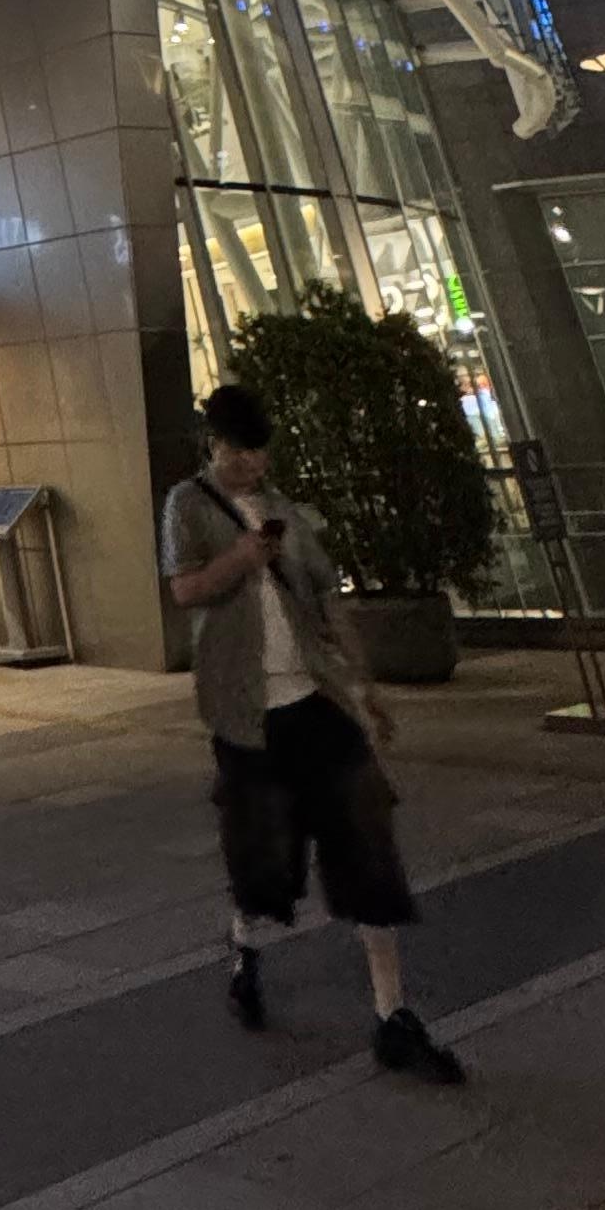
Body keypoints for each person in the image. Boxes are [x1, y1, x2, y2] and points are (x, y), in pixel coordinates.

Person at [160, 380, 466, 1081]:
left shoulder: (283, 508)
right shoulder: (187, 504)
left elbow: (326, 598)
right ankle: (245, 948)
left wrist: (363, 686)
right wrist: (242, 559)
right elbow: (183, 588)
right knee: (265, 866)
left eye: (260, 453)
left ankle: (393, 1015)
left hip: (316, 701)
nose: (252, 465)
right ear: (215, 445)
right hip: (246, 713)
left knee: (367, 843)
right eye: (240, 453)